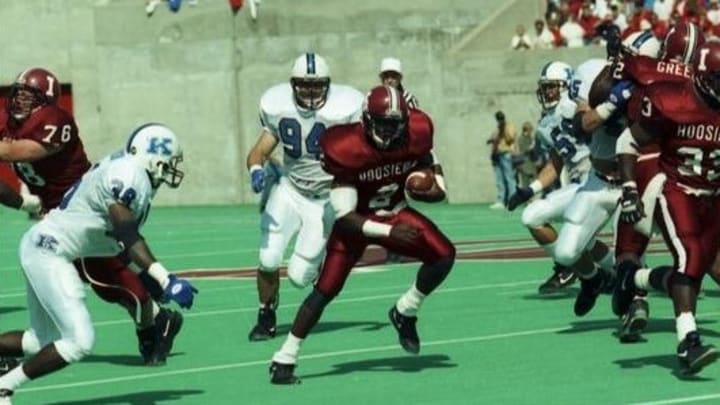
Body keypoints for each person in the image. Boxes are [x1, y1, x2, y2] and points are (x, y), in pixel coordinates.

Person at [268, 85, 454, 385]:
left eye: (396, 125)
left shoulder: (417, 131)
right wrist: (391, 231)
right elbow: (346, 216)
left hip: (395, 209)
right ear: (367, 120)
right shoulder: (346, 147)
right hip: (356, 221)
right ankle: (285, 356)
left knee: (444, 255)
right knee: (325, 291)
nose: (390, 132)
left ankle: (405, 311)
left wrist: (437, 188)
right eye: (383, 124)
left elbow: (427, 159)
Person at [0, 123, 198, 403]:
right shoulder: (129, 174)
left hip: (44, 247)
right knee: (78, 342)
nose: (172, 167)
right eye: (169, 159)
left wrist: (152, 281)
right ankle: (4, 386)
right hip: (49, 252)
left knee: (39, 342)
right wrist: (166, 278)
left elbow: (115, 244)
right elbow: (126, 234)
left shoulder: (126, 169)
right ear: (154, 156)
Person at [0, 67, 183, 366]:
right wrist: (22, 203)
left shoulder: (56, 120)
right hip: (56, 216)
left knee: (110, 283)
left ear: (44, 102)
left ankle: (156, 322)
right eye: (17, 95)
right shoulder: (7, 123)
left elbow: (20, 151)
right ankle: (158, 318)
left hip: (84, 213)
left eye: (28, 96)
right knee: (78, 279)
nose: (19, 102)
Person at [614, 40, 720, 375]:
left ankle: (635, 277)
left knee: (695, 271)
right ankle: (688, 343)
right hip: (676, 189)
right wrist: (630, 189)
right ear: (705, 78)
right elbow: (627, 141)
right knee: (689, 259)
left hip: (713, 195)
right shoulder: (671, 98)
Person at [245, 53, 364, 341]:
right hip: (290, 190)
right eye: (304, 86)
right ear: (293, 85)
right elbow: (257, 152)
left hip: (323, 201)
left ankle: (319, 257)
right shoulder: (278, 107)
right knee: (268, 257)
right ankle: (265, 314)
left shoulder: (344, 109)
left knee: (299, 278)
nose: (310, 92)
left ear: (327, 85)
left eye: (316, 86)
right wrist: (256, 170)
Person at [507, 61, 592, 294]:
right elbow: (557, 161)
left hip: (601, 179)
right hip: (578, 184)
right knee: (533, 217)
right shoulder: (546, 121)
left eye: (552, 86)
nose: (547, 92)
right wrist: (530, 189)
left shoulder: (579, 107)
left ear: (566, 86)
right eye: (545, 87)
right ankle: (572, 267)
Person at [487, 111, 517, 209]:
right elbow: (492, 139)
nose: (499, 120)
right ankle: (501, 200)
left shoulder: (509, 126)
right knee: (499, 179)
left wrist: (503, 129)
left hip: (506, 153)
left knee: (509, 178)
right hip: (497, 155)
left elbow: (510, 138)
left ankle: (512, 200)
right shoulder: (498, 128)